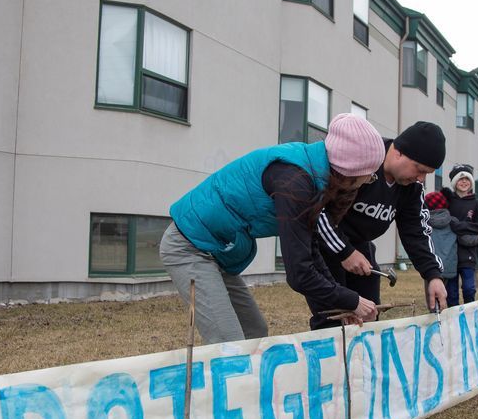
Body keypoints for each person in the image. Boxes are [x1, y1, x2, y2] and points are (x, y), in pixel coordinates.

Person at [160, 113, 387, 344]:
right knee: (228, 344)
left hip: (218, 250)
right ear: (349, 170)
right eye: (368, 176)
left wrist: (341, 304)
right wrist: (353, 301)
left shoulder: (313, 175)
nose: (369, 180)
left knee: (254, 331)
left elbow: (311, 252)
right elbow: (300, 274)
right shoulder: (295, 182)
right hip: (188, 246)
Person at [309, 121, 448, 329]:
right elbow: (317, 209)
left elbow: (416, 231)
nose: (421, 178)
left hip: (361, 247)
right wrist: (345, 252)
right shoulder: (361, 159)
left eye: (427, 173)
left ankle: (362, 360)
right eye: (419, 169)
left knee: (369, 314)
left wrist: (433, 275)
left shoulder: (412, 188)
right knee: (333, 318)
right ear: (399, 152)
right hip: (324, 245)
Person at [444, 164, 478, 307]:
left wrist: (459, 227)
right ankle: (452, 318)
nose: (464, 182)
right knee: (452, 293)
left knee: (469, 289)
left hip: (468, 254)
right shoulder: (448, 202)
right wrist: (461, 228)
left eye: (467, 179)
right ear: (455, 183)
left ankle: (469, 313)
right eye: (460, 179)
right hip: (450, 254)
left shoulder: (476, 204)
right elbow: (445, 222)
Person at [424, 188, 458, 288]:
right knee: (448, 297)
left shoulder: (425, 223)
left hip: (431, 266)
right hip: (449, 266)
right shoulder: (453, 222)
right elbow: (464, 239)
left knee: (432, 298)